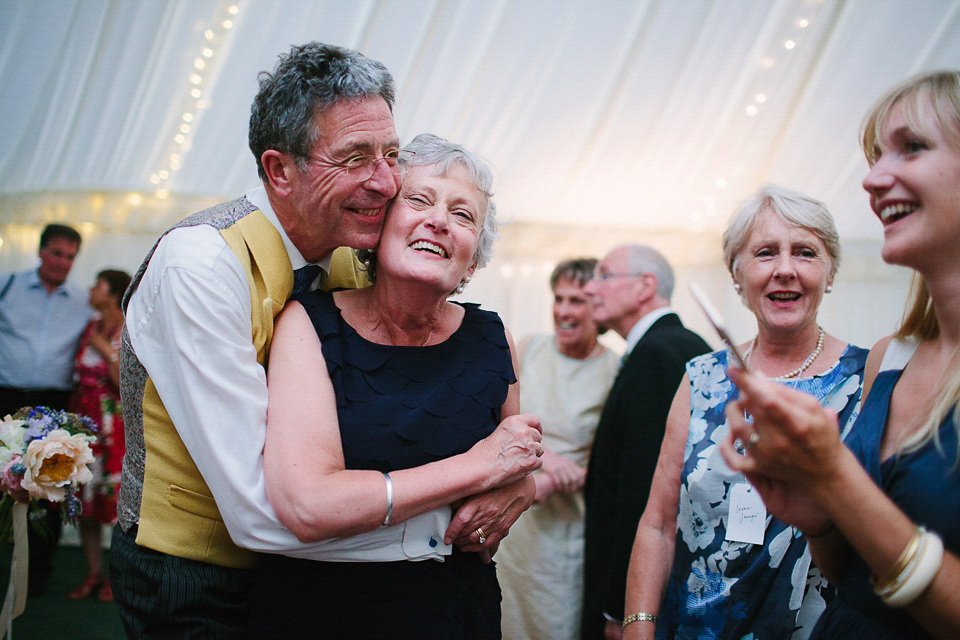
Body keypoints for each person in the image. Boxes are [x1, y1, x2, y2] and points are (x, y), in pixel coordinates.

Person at [111, 43, 533, 638]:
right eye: (356, 158)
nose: (387, 182)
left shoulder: (350, 260)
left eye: (391, 154)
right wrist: (465, 499)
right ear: (280, 170)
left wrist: (519, 477)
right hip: (194, 580)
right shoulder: (201, 266)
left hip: (313, 585)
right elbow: (264, 512)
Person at [246, 133, 542, 638]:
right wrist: (479, 466)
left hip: (456, 610)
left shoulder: (495, 339)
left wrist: (522, 484)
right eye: (419, 200)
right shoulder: (309, 324)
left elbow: (515, 458)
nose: (439, 221)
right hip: (325, 609)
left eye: (463, 215)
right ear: (378, 228)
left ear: (472, 262)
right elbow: (310, 504)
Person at [719, 70, 960, 640]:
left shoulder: (857, 365)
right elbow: (852, 576)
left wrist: (835, 479)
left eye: (912, 147)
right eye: (875, 157)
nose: (874, 179)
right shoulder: (892, 358)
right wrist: (821, 520)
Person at [622, 184, 869, 640]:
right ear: (737, 274)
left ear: (830, 271)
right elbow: (657, 523)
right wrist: (639, 628)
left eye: (806, 253)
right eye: (765, 253)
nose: (785, 270)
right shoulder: (701, 377)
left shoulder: (867, 379)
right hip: (695, 627)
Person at [580, 244, 711, 640]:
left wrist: (625, 610)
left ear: (644, 287)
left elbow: (644, 492)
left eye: (604, 275)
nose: (590, 289)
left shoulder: (658, 353)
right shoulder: (672, 345)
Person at [497, 257, 620, 640]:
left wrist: (562, 478)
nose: (564, 311)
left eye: (577, 301)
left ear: (598, 309)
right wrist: (545, 460)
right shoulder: (530, 347)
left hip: (568, 529)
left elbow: (614, 461)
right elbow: (499, 425)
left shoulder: (616, 369)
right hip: (515, 525)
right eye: (559, 298)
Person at [0, 222, 93, 596]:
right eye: (57, 253)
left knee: (51, 486)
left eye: (70, 257)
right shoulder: (7, 286)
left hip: (54, 404)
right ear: (40, 251)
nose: (62, 262)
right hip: (5, 397)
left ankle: (37, 572)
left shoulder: (84, 301)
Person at [66, 269, 132, 602]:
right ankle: (93, 573)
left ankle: (117, 577)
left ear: (112, 292)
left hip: (113, 425)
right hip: (83, 424)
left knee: (115, 502)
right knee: (86, 501)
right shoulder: (91, 325)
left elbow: (124, 383)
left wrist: (105, 348)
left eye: (98, 284)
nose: (91, 288)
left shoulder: (127, 328)